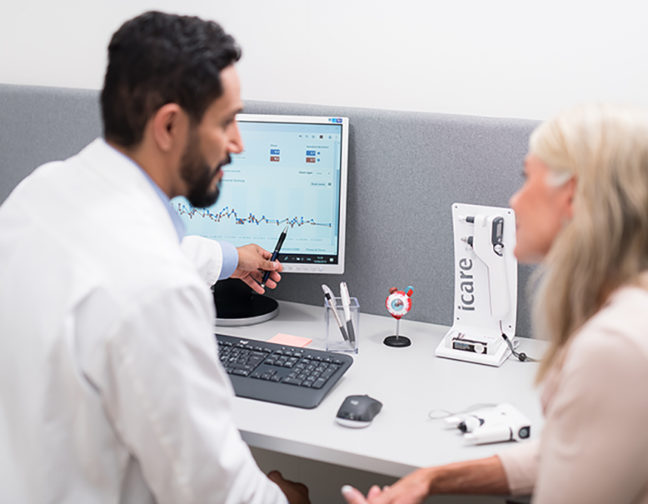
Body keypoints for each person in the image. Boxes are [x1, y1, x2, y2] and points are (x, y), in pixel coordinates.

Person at [0, 11, 310, 504]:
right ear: (169, 125)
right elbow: (219, 493)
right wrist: (290, 497)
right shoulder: (158, 287)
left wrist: (231, 258)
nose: (238, 142)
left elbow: (121, 250)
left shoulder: (38, 194)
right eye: (226, 122)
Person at [342, 104, 648, 504]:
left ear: (571, 197)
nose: (515, 200)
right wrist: (431, 479)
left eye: (527, 178)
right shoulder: (623, 312)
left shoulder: (614, 346)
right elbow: (569, 456)